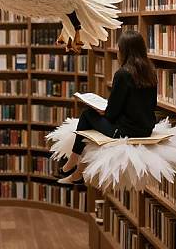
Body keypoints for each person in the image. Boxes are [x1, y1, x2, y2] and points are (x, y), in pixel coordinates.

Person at [59, 30, 157, 183]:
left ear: (124, 51)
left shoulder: (123, 74)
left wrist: (103, 111)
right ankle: (77, 170)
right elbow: (149, 104)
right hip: (146, 128)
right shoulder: (150, 72)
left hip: (125, 131)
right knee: (91, 119)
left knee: (86, 115)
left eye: (119, 49)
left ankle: (74, 159)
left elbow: (112, 114)